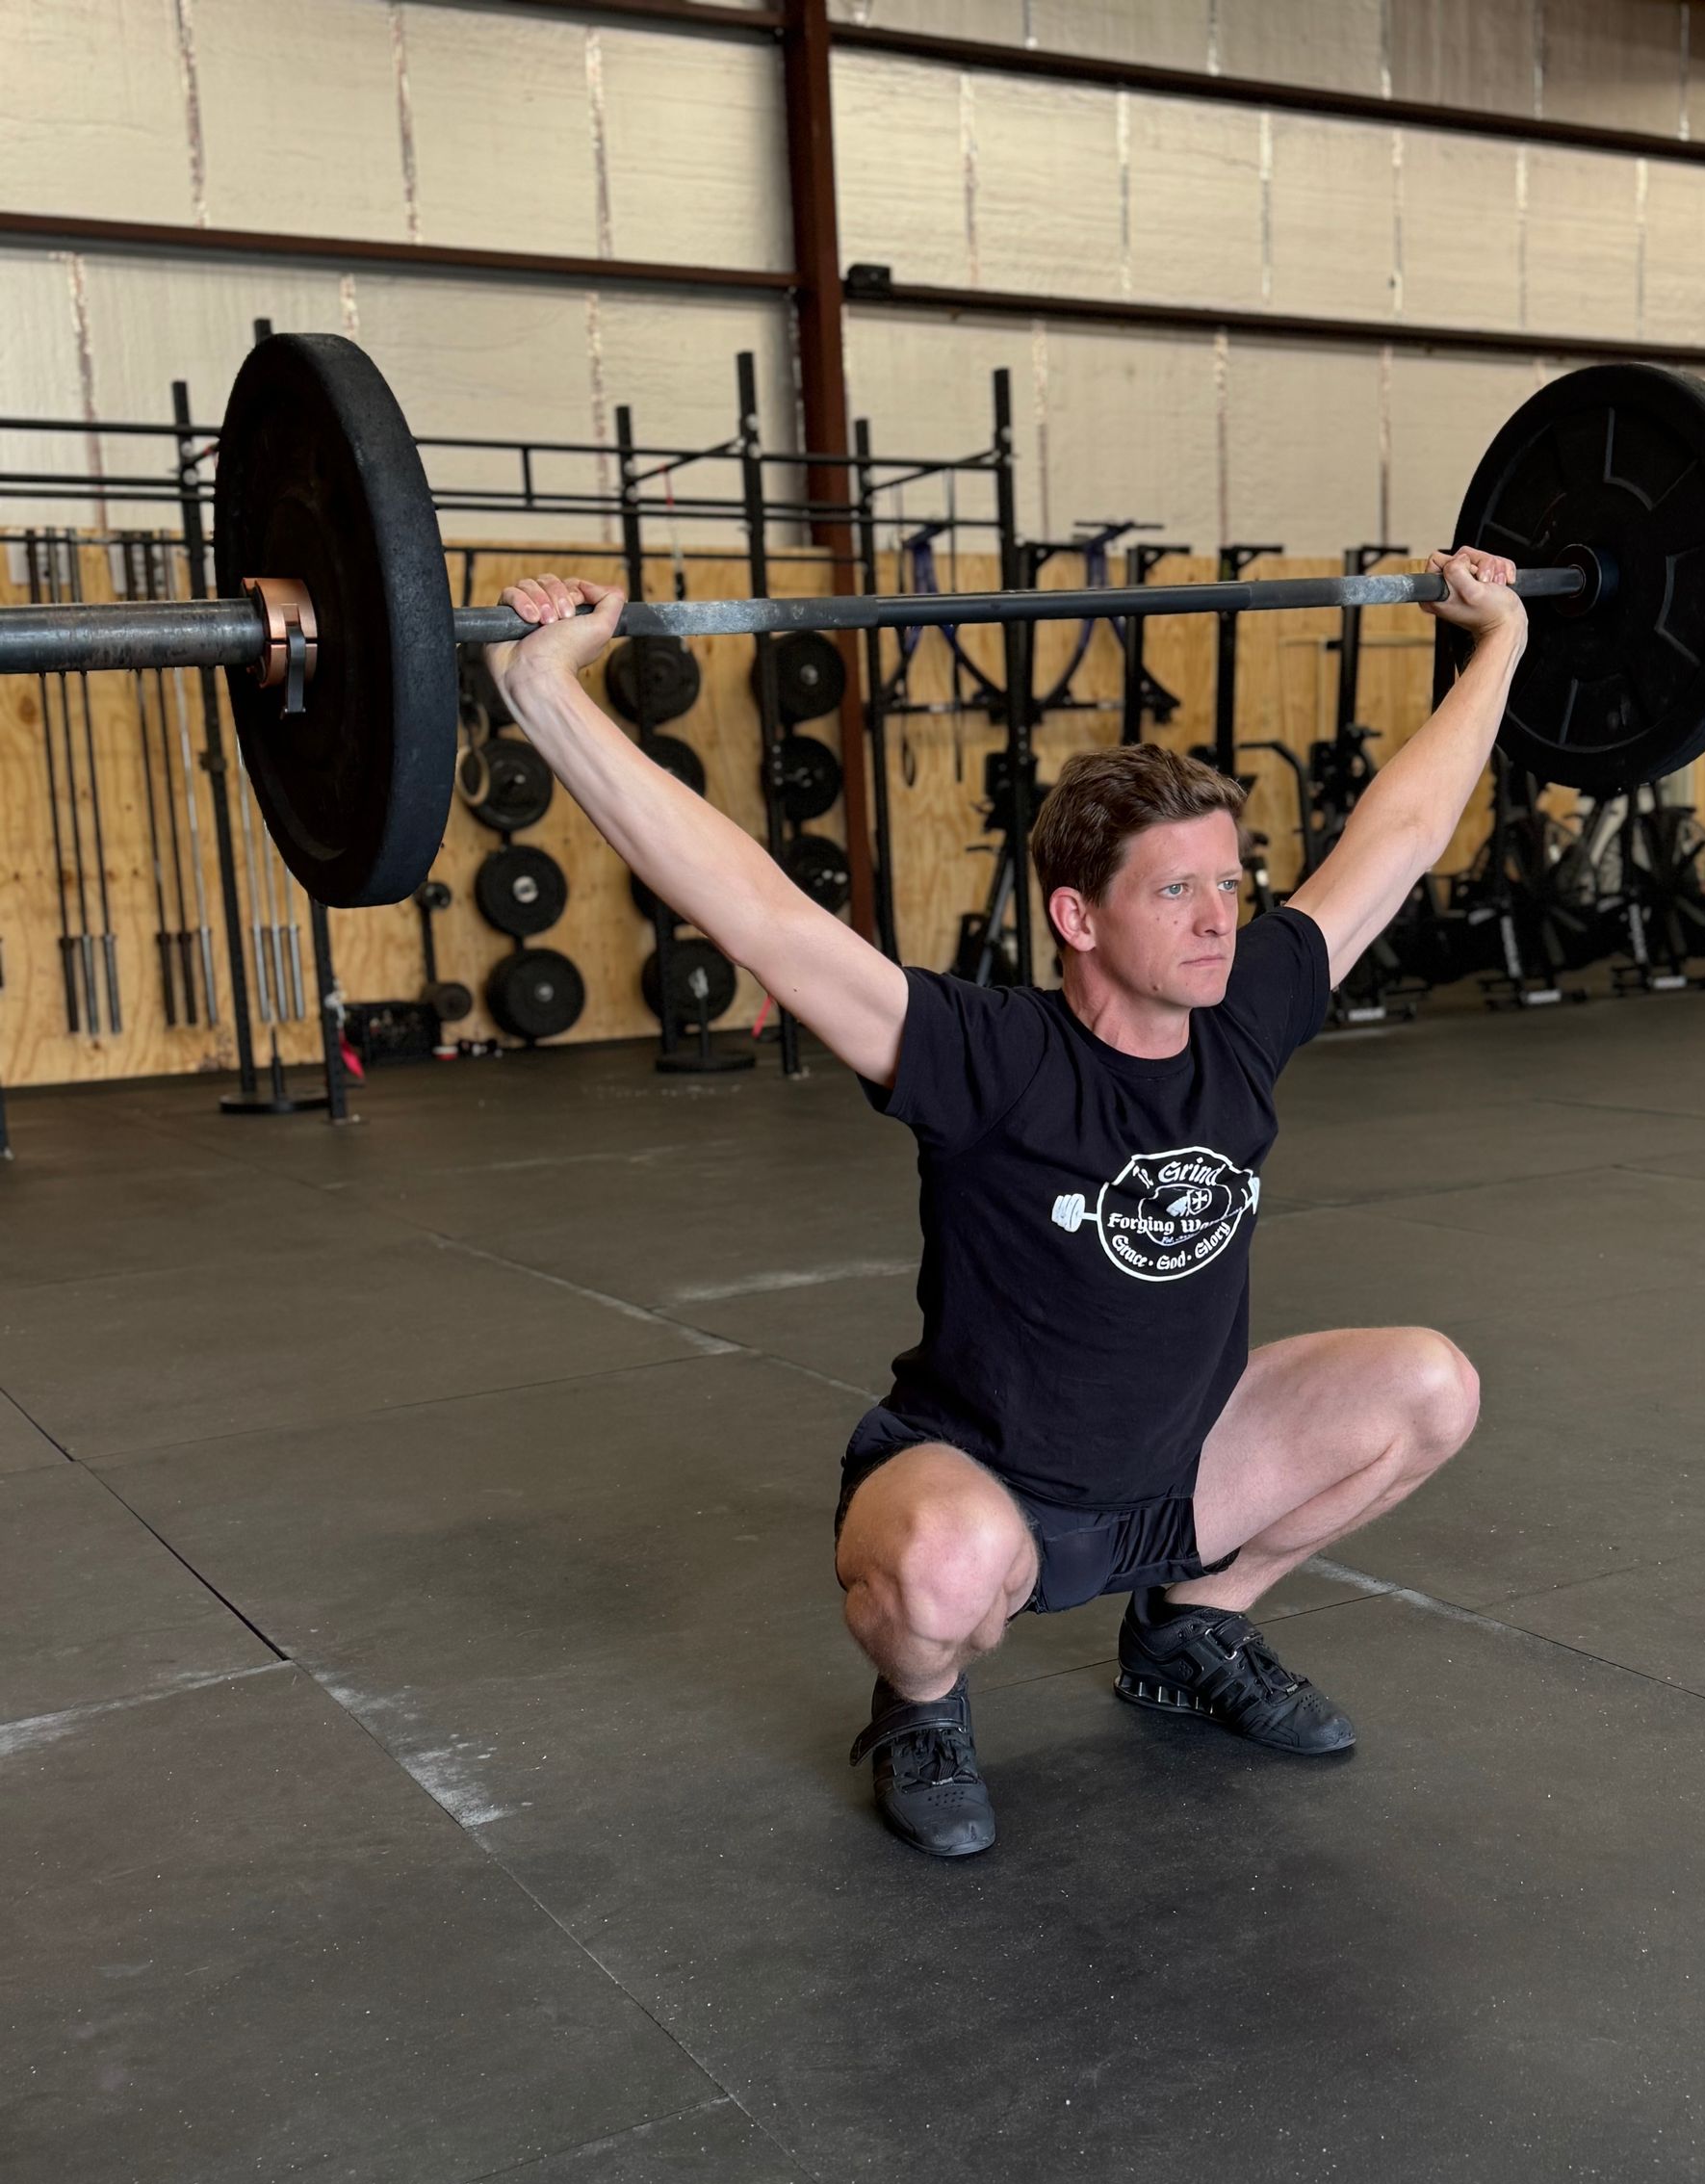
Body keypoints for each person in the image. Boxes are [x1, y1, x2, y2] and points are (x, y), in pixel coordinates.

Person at [487, 548, 1523, 1859]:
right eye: (1176, 891)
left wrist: (1498, 641)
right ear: (1078, 919)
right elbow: (753, 909)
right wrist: (548, 692)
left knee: (1430, 1386)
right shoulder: (985, 1055)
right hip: (990, 1484)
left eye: (1230, 883)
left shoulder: (1247, 1008)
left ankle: (1190, 1626)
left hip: (1180, 1467)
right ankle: (920, 1708)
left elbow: (1404, 829)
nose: (1219, 920)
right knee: (943, 1568)